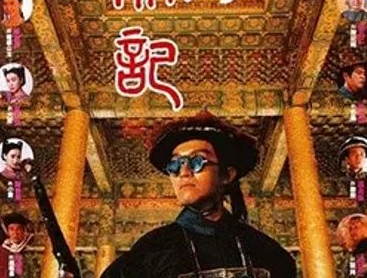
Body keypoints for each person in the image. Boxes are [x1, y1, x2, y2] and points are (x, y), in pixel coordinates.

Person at [102, 111, 296, 278]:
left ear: (227, 174)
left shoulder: (268, 253)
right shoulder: (150, 251)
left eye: (197, 161)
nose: (184, 172)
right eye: (175, 165)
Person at [0, 213, 33, 278]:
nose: (15, 233)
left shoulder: (30, 250)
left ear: (23, 231)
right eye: (11, 229)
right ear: (7, 232)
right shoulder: (2, 251)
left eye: (18, 229)